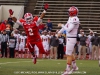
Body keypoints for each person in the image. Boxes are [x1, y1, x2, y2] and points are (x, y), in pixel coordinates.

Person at [58, 6, 80, 75]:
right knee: (69, 53)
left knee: (68, 54)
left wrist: (62, 25)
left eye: (69, 12)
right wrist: (59, 32)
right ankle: (75, 67)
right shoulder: (71, 18)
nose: (68, 13)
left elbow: (69, 29)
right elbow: (67, 25)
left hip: (72, 37)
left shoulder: (75, 19)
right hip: (69, 37)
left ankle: (67, 70)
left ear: (72, 13)